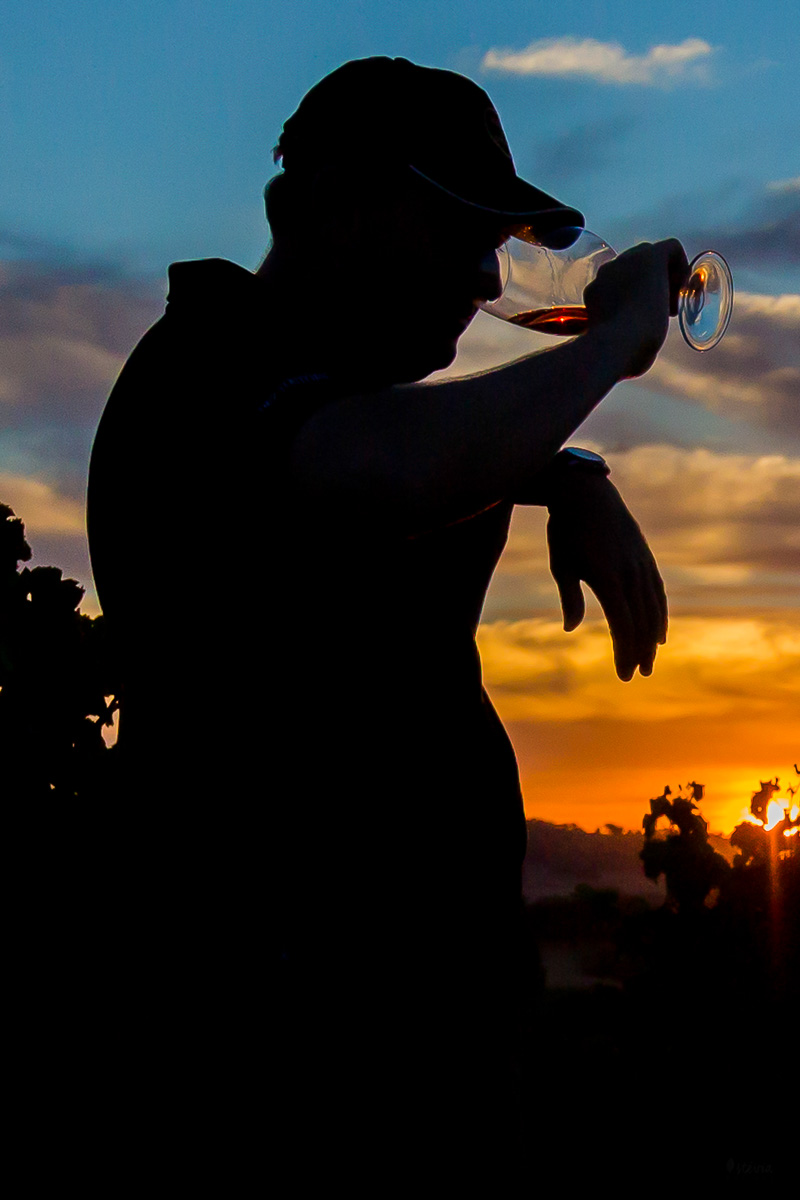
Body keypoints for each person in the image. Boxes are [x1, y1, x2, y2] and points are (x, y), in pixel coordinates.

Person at [87, 56, 686, 1183]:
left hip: (421, 1060)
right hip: (280, 1075)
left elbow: (389, 460)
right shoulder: (210, 363)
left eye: (491, 243)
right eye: (453, 232)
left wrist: (563, 474)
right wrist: (609, 348)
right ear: (330, 209)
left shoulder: (323, 389)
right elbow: (372, 467)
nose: (477, 277)